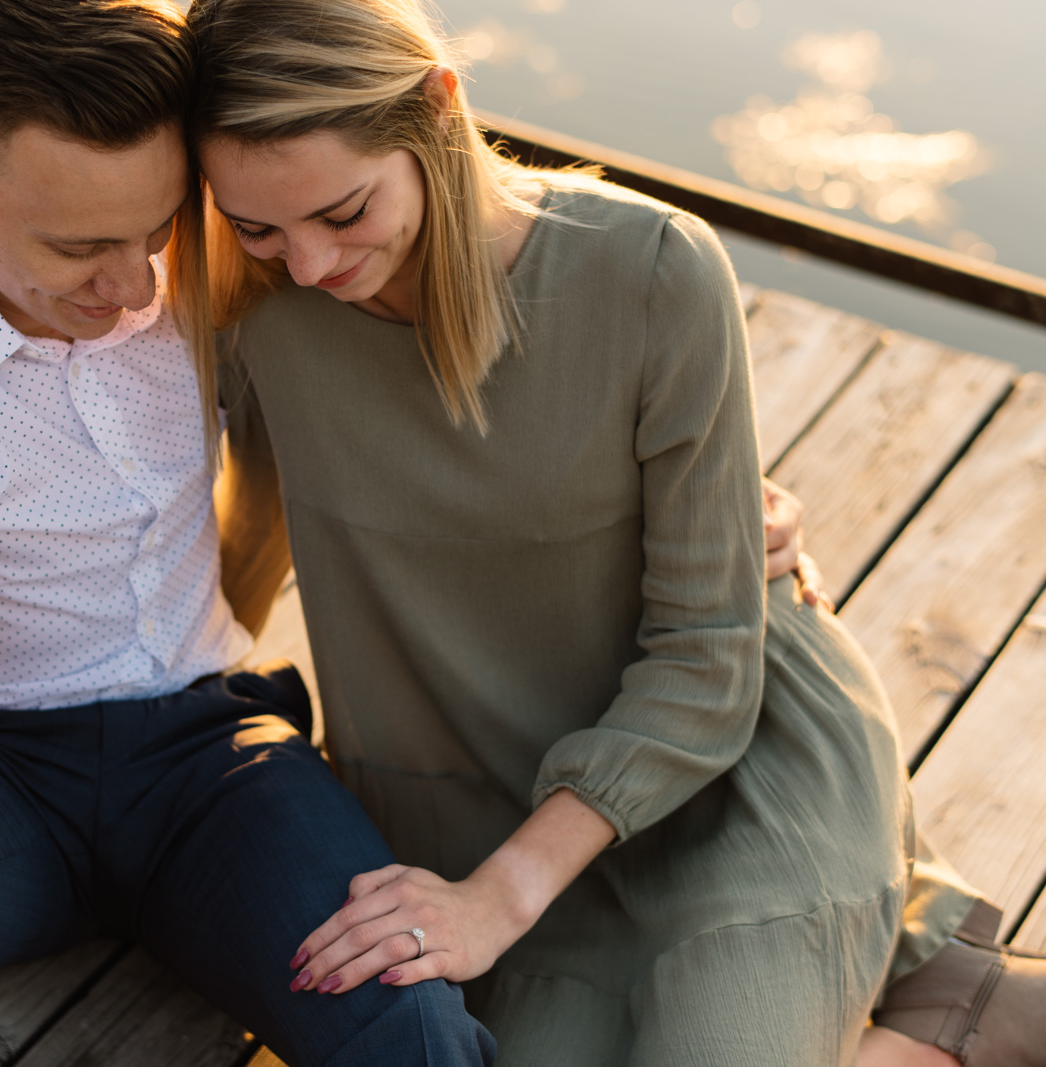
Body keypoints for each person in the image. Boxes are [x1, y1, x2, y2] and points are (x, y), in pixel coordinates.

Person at [186, 0, 1045, 1063]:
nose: (307, 264)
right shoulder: (251, 306)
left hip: (730, 777)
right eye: (260, 226)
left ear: (435, 111)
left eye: (344, 211)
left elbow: (706, 655)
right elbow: (240, 552)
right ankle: (950, 1004)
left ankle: (917, 1000)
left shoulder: (649, 270)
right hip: (467, 808)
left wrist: (497, 900)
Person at [0, 2, 500, 1065]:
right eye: (79, 248)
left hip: (208, 761)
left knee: (402, 1000)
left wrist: (703, 495)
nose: (134, 289)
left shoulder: (232, 232)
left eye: (155, 231)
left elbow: (437, 252)